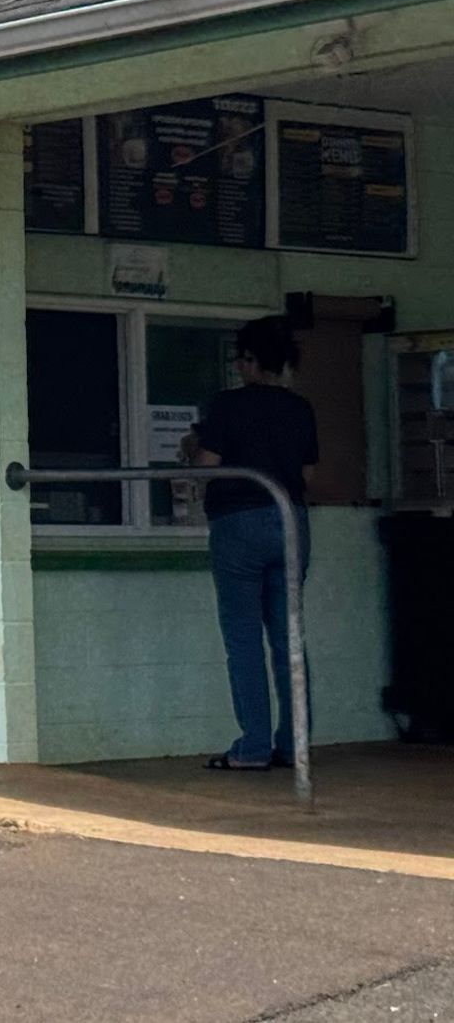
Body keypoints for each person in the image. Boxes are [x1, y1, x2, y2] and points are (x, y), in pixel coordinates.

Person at [183, 316, 318, 771]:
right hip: (291, 520)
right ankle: (295, 744)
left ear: (252, 360)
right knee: (289, 638)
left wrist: (191, 449)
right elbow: (309, 474)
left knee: (243, 639)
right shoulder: (300, 408)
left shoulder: (228, 405)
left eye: (241, 360)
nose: (239, 367)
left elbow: (206, 466)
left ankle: (253, 747)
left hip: (238, 522)